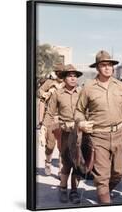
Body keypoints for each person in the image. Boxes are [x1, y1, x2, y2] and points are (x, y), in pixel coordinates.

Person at [74, 50, 122, 204]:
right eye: (103, 65)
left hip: (118, 136)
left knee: (118, 172)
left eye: (109, 65)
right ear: (97, 68)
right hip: (98, 137)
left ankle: (105, 192)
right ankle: (104, 199)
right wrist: (81, 123)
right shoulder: (89, 87)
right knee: (102, 177)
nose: (107, 68)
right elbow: (78, 111)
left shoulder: (120, 86)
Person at [42, 64, 83, 204]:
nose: (72, 78)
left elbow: (91, 111)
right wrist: (43, 130)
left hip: (81, 133)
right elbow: (49, 113)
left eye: (75, 76)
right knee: (66, 163)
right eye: (69, 76)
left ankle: (74, 191)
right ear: (64, 78)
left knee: (78, 164)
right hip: (66, 133)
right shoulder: (57, 94)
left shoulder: (83, 93)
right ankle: (63, 188)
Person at [37, 63, 65, 176]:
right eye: (58, 72)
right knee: (50, 145)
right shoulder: (49, 83)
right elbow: (39, 92)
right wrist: (46, 93)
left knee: (62, 146)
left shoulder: (66, 84)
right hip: (51, 118)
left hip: (63, 118)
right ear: (56, 72)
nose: (60, 75)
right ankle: (48, 162)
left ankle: (61, 169)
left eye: (62, 73)